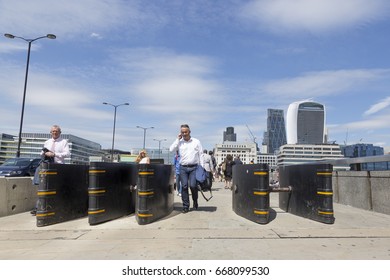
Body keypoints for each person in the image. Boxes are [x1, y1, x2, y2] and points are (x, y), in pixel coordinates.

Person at [31, 125, 70, 215]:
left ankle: (56, 207)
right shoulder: (47, 142)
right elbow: (41, 153)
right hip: (47, 166)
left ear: (60, 132)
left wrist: (54, 154)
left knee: (56, 188)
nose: (54, 132)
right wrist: (44, 153)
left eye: (56, 131)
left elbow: (67, 154)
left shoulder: (64, 142)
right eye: (53, 131)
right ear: (51, 132)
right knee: (42, 187)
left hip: (58, 166)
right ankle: (38, 208)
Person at [169, 124, 204, 213]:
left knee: (193, 186)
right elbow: (171, 149)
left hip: (194, 168)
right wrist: (177, 139)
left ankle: (195, 201)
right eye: (182, 132)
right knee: (184, 187)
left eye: (185, 132)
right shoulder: (179, 142)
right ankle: (185, 206)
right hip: (183, 168)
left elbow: (201, 155)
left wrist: (202, 167)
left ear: (189, 132)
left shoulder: (196, 142)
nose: (184, 134)